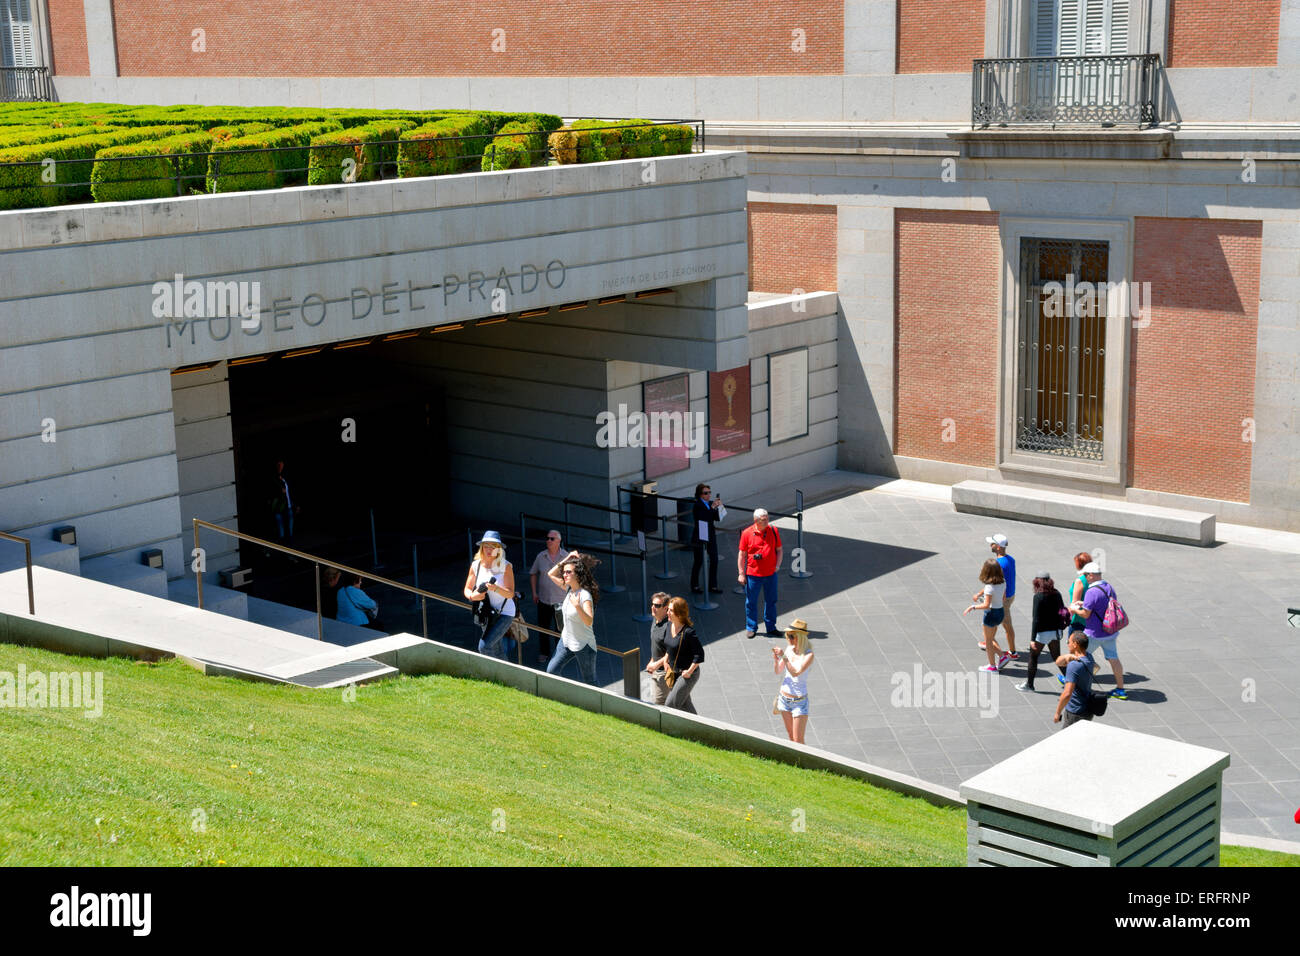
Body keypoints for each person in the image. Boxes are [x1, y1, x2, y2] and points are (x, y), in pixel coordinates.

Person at [1065, 561, 1128, 700]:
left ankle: (1071, 681)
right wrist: (1084, 604)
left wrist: (1076, 609)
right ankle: (1121, 689)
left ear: (1092, 575)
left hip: (1094, 633)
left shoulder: (1091, 591)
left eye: (1086, 575)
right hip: (1110, 631)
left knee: (1078, 656)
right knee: (1114, 659)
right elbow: (1103, 604)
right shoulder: (1109, 587)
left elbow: (1086, 614)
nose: (1085, 578)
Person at [545, 551, 600, 684]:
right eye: (564, 572)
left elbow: (589, 620)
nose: (564, 574)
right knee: (551, 671)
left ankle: (600, 704)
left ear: (578, 574)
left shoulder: (585, 596)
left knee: (590, 681)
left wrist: (577, 606)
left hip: (583, 645)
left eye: (568, 572)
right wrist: (568, 558)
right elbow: (550, 574)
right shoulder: (569, 589)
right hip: (566, 641)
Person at [463, 530, 516, 661]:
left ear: (498, 549)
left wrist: (496, 588)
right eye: (486, 545)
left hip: (505, 613)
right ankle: (507, 676)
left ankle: (493, 676)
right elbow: (467, 589)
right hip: (485, 612)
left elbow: (510, 593)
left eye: (493, 546)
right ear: (481, 547)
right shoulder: (476, 565)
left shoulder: (506, 566)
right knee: (496, 649)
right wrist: (472, 596)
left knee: (484, 646)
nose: (489, 549)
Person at [645, 597, 704, 712]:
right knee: (685, 705)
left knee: (670, 705)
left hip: (686, 675)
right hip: (673, 673)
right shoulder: (669, 626)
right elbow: (669, 648)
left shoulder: (688, 632)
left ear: (679, 613)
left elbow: (699, 654)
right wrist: (666, 661)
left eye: (671, 610)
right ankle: (698, 726)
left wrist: (689, 671)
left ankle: (666, 729)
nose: (668, 613)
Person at [1017, 572, 1068, 692]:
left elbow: (1036, 619)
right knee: (1057, 657)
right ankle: (1072, 681)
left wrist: (1032, 639)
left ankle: (1030, 685)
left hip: (1042, 633)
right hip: (1055, 632)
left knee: (1033, 657)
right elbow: (1062, 611)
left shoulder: (1038, 596)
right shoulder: (1057, 593)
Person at [737, 508, 782, 638]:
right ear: (756, 521)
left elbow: (779, 550)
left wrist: (777, 565)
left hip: (770, 574)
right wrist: (741, 573)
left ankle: (771, 627)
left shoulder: (773, 531)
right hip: (753, 574)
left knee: (771, 601)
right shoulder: (746, 533)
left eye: (767, 518)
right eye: (764, 519)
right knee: (751, 602)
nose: (767, 520)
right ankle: (751, 627)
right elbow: (742, 555)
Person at [963, 558, 1011, 673]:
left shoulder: (989, 587)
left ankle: (992, 666)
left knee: (988, 641)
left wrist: (973, 607)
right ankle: (1002, 656)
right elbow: (1003, 598)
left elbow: (986, 605)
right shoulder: (1003, 582)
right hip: (1000, 612)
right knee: (990, 637)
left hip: (991, 614)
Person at [772, 618, 814, 743]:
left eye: (791, 636)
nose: (788, 639)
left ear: (800, 637)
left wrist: (784, 656)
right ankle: (794, 763)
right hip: (784, 699)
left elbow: (796, 672)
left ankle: (804, 762)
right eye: (787, 636)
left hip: (799, 702)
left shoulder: (808, 655)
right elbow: (778, 671)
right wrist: (776, 659)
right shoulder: (789, 649)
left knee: (798, 740)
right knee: (791, 736)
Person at [529, 530, 566, 665]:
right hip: (543, 599)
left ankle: (559, 654)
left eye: (552, 539)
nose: (548, 541)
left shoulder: (565, 557)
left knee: (560, 629)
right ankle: (544, 652)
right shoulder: (541, 556)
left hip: (560, 600)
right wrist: (534, 593)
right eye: (547, 538)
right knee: (543, 628)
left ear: (558, 541)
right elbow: (533, 573)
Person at [1068, 551, 1102, 675]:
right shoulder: (1094, 579)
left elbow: (1075, 603)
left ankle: (1074, 673)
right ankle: (1088, 668)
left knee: (1074, 647)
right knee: (1083, 647)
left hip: (1078, 619)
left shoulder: (1080, 581)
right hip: (1090, 619)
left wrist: (1068, 614)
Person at [985, 533, 1017, 659]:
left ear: (998, 547)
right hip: (1010, 595)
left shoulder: (998, 564)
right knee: (1000, 622)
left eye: (992, 543)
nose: (990, 545)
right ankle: (989, 639)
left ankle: (1012, 652)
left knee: (1006, 624)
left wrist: (985, 594)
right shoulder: (1011, 559)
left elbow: (996, 583)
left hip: (1003, 599)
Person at [1053, 633, 1095, 728]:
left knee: (1066, 740)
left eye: (1069, 642)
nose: (1067, 644)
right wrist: (1068, 656)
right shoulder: (1089, 657)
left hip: (1075, 712)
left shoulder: (1074, 665)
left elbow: (1067, 693)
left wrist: (1057, 712)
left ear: (1075, 644)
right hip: (1087, 708)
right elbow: (1058, 662)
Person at [690, 483, 726, 594]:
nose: (708, 495)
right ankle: (694, 585)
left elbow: (717, 518)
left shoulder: (710, 504)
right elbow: (703, 518)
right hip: (700, 535)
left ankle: (713, 586)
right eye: (706, 493)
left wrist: (720, 507)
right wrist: (712, 508)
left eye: (709, 492)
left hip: (710, 534)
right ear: (700, 494)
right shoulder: (698, 505)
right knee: (699, 561)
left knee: (714, 560)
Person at [643, 590, 672, 705]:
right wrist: (652, 661)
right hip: (657, 669)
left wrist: (656, 664)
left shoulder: (669, 626)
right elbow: (656, 645)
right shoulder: (655, 620)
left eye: (657, 606)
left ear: (666, 608)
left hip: (665, 672)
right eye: (652, 604)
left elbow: (671, 651)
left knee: (658, 704)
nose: (653, 608)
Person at [270, 460, 298, 540]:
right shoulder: (274, 477)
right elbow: (272, 489)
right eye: (279, 465)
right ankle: (282, 539)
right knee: (280, 523)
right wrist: (279, 490)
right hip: (279, 505)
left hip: (288, 504)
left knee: (290, 522)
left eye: (282, 465)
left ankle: (290, 538)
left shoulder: (285, 477)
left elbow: (289, 493)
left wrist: (295, 504)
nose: (280, 467)